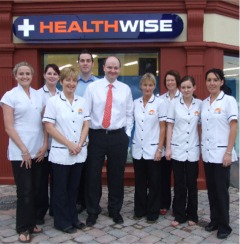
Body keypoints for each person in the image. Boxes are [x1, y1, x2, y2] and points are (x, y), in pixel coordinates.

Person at [84, 56, 134, 226]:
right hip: (96, 136)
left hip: (118, 136)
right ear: (103, 67)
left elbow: (129, 114)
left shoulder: (125, 89)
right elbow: (86, 113)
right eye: (109, 67)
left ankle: (115, 210)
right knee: (93, 175)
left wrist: (126, 135)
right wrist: (88, 137)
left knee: (116, 176)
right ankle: (92, 210)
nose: (113, 70)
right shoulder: (92, 88)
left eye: (116, 68)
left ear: (119, 69)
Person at [0, 62, 47, 243]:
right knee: (25, 190)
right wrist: (24, 150)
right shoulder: (9, 96)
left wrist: (44, 145)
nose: (25, 76)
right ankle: (24, 227)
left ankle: (33, 221)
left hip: (38, 151)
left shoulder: (38, 95)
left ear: (32, 75)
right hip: (20, 153)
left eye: (28, 73)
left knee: (36, 189)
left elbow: (44, 123)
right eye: (21, 74)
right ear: (16, 75)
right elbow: (9, 127)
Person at [43, 67, 90, 234]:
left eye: (74, 80)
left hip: (78, 153)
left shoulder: (82, 101)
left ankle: (73, 218)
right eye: (68, 80)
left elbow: (86, 124)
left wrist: (79, 144)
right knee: (60, 189)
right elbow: (49, 127)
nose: (71, 83)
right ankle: (61, 221)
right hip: (61, 153)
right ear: (61, 82)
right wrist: (70, 144)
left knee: (73, 189)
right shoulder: (53, 102)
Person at [201, 68, 238, 239]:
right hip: (208, 154)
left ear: (222, 82)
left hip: (223, 154)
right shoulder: (204, 102)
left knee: (221, 191)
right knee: (212, 190)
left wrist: (229, 152)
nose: (212, 83)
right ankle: (214, 220)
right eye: (209, 80)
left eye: (215, 80)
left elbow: (233, 126)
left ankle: (225, 225)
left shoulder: (228, 101)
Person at [165, 75, 201, 227]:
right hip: (178, 148)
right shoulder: (174, 104)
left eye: (189, 87)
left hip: (192, 149)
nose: (186, 90)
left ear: (194, 88)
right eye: (183, 87)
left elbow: (202, 126)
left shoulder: (200, 104)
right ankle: (179, 215)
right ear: (180, 89)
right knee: (179, 184)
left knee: (192, 184)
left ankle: (193, 214)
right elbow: (170, 126)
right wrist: (168, 148)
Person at [132, 73, 166, 223]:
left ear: (154, 86)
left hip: (153, 150)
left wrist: (160, 149)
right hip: (138, 149)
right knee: (139, 181)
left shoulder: (160, 103)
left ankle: (153, 212)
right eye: (145, 85)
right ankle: (139, 210)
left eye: (150, 85)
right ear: (141, 86)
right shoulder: (135, 103)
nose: (147, 87)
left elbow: (163, 128)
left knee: (154, 182)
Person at [75, 49, 98, 214]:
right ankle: (78, 201)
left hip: (94, 134)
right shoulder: (71, 82)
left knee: (92, 172)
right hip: (75, 134)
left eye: (87, 60)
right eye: (82, 60)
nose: (85, 63)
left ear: (92, 63)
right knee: (77, 170)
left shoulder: (98, 84)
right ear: (78, 63)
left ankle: (93, 203)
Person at [37, 64, 60, 222]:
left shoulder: (61, 94)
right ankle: (40, 212)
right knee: (42, 181)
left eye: (55, 74)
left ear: (59, 77)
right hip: (44, 144)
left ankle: (55, 209)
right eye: (49, 73)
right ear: (44, 75)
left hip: (58, 145)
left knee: (57, 181)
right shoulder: (38, 95)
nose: (52, 76)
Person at [159, 70, 181, 215]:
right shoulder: (160, 99)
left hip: (180, 143)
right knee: (163, 176)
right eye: (167, 80)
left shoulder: (184, 97)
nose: (170, 83)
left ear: (177, 81)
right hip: (164, 143)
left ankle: (178, 207)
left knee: (179, 178)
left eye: (172, 80)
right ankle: (164, 203)